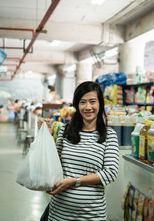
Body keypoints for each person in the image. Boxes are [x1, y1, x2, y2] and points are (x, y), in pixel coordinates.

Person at [45, 81, 119, 221]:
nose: (88, 107)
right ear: (77, 105)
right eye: (82, 102)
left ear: (100, 104)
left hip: (92, 215)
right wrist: (47, 137)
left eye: (92, 101)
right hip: (59, 213)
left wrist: (74, 181)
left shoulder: (109, 135)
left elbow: (110, 173)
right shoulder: (65, 131)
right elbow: (52, 163)